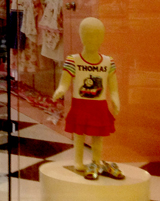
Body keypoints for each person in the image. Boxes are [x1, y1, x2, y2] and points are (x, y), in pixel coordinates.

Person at [52, 17, 124, 180]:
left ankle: (96, 161)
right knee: (79, 135)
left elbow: (113, 87)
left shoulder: (108, 62)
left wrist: (115, 99)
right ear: (81, 36)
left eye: (96, 35)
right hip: (80, 104)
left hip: (99, 106)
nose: (92, 39)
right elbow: (64, 82)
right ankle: (78, 161)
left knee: (97, 137)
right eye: (87, 35)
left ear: (102, 37)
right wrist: (61, 90)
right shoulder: (73, 60)